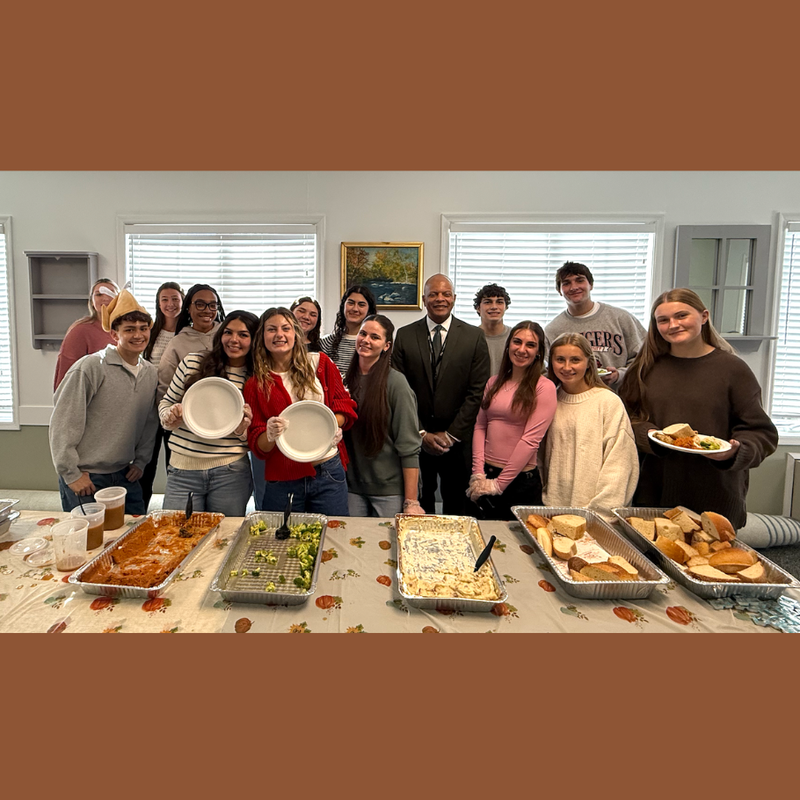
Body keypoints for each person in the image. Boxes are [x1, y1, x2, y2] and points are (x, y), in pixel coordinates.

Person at [619, 288, 779, 529]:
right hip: (654, 491)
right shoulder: (645, 368)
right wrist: (651, 436)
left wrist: (734, 452)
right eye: (663, 320)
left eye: (681, 316)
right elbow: (626, 418)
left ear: (704, 316)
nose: (673, 325)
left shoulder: (733, 369)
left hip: (715, 492)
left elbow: (762, 433)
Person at [49, 287, 158, 514]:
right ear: (114, 334)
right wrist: (71, 474)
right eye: (129, 329)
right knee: (90, 545)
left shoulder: (150, 373)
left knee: (133, 539)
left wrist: (141, 461)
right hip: (86, 476)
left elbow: (149, 422)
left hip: (125, 474)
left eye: (143, 328)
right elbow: (64, 421)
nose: (138, 335)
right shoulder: (90, 368)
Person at [392, 273, 490, 514]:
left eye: (446, 294)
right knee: (418, 504)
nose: (440, 299)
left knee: (457, 505)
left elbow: (477, 391)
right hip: (416, 440)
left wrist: (451, 435)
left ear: (454, 299)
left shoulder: (474, 337)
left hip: (457, 442)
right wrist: (422, 433)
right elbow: (399, 390)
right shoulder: (404, 335)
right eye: (433, 294)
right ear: (424, 299)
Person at [244, 308, 357, 515]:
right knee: (280, 540)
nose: (279, 334)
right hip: (282, 478)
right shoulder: (255, 384)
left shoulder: (320, 364)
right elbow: (258, 445)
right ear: (262, 337)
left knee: (333, 537)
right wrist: (269, 435)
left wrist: (332, 424)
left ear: (296, 333)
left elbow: (345, 406)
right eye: (271, 329)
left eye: (286, 328)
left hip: (327, 471)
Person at [158, 311, 258, 516]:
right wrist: (170, 417)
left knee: (225, 537)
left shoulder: (257, 378)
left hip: (231, 471)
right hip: (183, 468)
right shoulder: (193, 362)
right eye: (228, 332)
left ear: (255, 339)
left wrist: (242, 431)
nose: (234, 340)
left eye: (243, 335)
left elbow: (257, 436)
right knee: (176, 535)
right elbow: (166, 403)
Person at [541, 333, 638, 520]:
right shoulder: (549, 400)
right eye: (560, 359)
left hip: (598, 516)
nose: (567, 367)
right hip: (553, 512)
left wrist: (600, 514)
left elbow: (620, 464)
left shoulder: (608, 402)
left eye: (575, 360)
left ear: (589, 362)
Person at [467, 321, 557, 520]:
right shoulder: (493, 382)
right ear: (508, 345)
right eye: (517, 342)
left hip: (519, 482)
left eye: (530, 345)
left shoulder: (544, 387)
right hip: (485, 477)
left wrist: (499, 485)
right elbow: (481, 426)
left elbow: (531, 440)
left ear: (539, 352)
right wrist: (478, 473)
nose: (522, 349)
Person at [343, 315, 424, 517]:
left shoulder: (396, 384)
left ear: (386, 346)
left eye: (374, 337)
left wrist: (411, 502)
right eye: (362, 333)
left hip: (389, 491)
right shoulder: (344, 381)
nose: (366, 340)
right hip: (352, 487)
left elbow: (409, 446)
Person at [544, 261, 646, 389]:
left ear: (591, 285)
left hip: (618, 399)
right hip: (573, 402)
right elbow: (549, 372)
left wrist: (619, 375)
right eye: (566, 283)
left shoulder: (621, 318)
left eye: (579, 280)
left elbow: (644, 358)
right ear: (559, 290)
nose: (574, 287)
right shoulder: (553, 330)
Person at [140, 281, 184, 509]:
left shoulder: (187, 333)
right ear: (158, 303)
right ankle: (140, 510)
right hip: (149, 406)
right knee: (145, 462)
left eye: (175, 298)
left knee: (173, 461)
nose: (170, 304)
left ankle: (173, 507)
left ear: (182, 300)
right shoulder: (150, 330)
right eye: (165, 299)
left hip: (175, 408)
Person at [157, 284, 225, 401]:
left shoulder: (227, 336)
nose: (207, 310)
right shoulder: (177, 343)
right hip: (191, 411)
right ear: (188, 307)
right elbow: (165, 388)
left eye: (213, 305)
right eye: (200, 305)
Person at [53, 278, 120, 390]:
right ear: (92, 302)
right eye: (98, 294)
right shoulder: (80, 330)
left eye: (110, 293)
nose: (105, 298)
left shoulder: (129, 329)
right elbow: (66, 371)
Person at [320, 285, 377, 376]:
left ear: (369, 310)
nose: (355, 309)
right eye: (351, 303)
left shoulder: (374, 344)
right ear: (343, 306)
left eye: (361, 305)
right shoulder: (326, 343)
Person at [474, 283, 512, 376]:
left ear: (506, 307)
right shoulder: (470, 338)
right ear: (478, 308)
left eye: (499, 302)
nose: (494, 307)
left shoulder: (515, 337)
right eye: (488, 302)